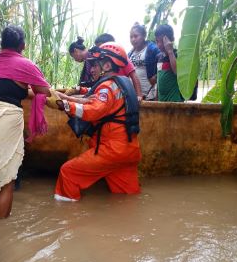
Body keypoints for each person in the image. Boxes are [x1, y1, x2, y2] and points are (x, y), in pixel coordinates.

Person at [0, 25, 50, 219]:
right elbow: (44, 91)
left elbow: (6, 86)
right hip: (1, 119)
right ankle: (0, 230)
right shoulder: (26, 64)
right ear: (22, 45)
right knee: (8, 182)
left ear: (2, 44)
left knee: (0, 165)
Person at [47, 42, 142, 201]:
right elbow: (96, 95)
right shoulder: (122, 83)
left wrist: (63, 105)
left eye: (95, 65)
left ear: (106, 65)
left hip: (112, 150)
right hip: (129, 150)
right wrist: (78, 91)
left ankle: (66, 217)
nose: (91, 69)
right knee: (128, 199)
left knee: (68, 172)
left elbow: (94, 110)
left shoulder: (107, 87)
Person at [67, 33, 143, 101]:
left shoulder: (122, 59)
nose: (98, 50)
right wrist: (79, 90)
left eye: (100, 47)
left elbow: (134, 76)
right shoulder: (100, 62)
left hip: (118, 95)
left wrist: (139, 95)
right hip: (108, 93)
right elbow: (96, 85)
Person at [128, 23, 160, 101]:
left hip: (149, 95)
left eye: (136, 36)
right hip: (134, 96)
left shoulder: (152, 49)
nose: (133, 39)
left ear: (143, 36)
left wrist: (156, 77)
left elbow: (163, 64)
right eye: (131, 37)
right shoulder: (130, 53)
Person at [154, 24, 184, 102]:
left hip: (174, 102)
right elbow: (158, 80)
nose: (159, 44)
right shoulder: (159, 57)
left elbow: (176, 71)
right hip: (161, 102)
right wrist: (156, 99)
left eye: (162, 41)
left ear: (171, 40)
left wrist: (170, 52)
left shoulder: (177, 54)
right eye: (157, 41)